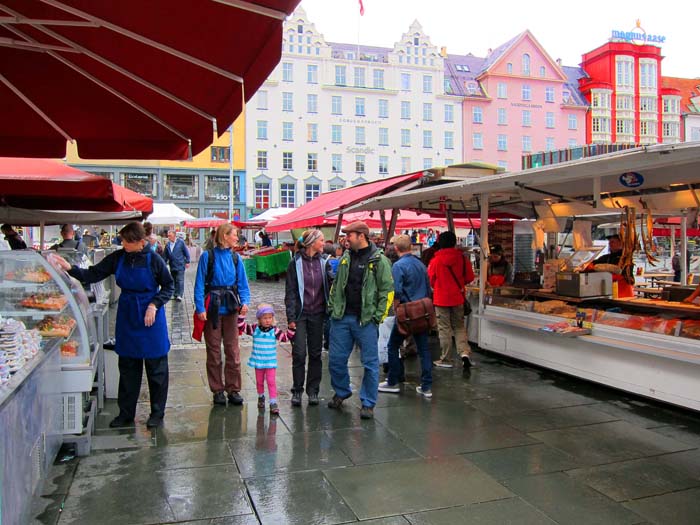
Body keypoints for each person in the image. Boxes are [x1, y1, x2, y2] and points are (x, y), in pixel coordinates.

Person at [52, 222, 174, 428]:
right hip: (128, 314)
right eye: (123, 240)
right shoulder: (118, 258)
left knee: (157, 369)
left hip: (151, 316)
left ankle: (157, 414)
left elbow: (169, 285)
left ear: (140, 242)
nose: (123, 243)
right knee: (127, 368)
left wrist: (154, 304)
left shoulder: (155, 260)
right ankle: (126, 414)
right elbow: (92, 274)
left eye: (127, 241)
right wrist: (69, 268)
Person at [327, 221, 394, 419]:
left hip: (365, 321)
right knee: (336, 360)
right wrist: (332, 307)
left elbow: (387, 291)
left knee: (370, 364)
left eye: (349, 235)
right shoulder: (346, 257)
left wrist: (377, 317)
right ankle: (341, 391)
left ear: (361, 236)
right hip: (341, 318)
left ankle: (368, 403)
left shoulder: (379, 261)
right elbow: (336, 285)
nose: (345, 238)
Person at [194, 224, 251, 406]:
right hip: (212, 310)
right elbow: (199, 284)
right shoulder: (207, 257)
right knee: (214, 352)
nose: (237, 238)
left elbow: (242, 282)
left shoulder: (236, 258)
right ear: (225, 236)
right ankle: (217, 390)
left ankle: (233, 389)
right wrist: (200, 308)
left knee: (233, 351)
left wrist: (245, 302)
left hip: (231, 308)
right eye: (235, 235)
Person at [378, 235, 434, 398]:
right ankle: (426, 386)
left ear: (396, 248)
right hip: (422, 311)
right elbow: (428, 288)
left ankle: (393, 380)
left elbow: (397, 291)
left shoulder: (398, 266)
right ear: (411, 247)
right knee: (423, 349)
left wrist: (396, 309)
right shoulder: (420, 264)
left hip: (407, 312)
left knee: (393, 345)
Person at [284, 229, 333, 407]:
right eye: (321, 240)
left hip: (318, 314)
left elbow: (331, 286)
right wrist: (291, 317)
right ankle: (297, 391)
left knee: (315, 353)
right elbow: (290, 292)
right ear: (312, 243)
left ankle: (313, 391)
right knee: (298, 353)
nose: (324, 243)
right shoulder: (294, 263)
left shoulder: (324, 262)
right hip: (300, 314)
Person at [428, 231, 475, 369]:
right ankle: (464, 353)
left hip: (441, 298)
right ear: (454, 242)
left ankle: (446, 358)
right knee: (459, 326)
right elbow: (470, 277)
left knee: (444, 329)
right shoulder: (462, 258)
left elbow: (431, 280)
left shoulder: (435, 260)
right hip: (457, 298)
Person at [238, 304, 295, 415]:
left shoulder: (274, 330)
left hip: (270, 362)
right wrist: (242, 315)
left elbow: (285, 338)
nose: (268, 320)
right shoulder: (254, 329)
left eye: (270, 318)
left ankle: (273, 402)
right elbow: (241, 326)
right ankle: (261, 397)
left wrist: (291, 328)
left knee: (271, 382)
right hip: (258, 361)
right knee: (259, 382)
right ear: (259, 319)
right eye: (265, 318)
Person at [163, 230, 190, 301]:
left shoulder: (180, 243)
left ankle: (179, 295)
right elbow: (165, 256)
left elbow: (186, 252)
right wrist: (163, 264)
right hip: (172, 265)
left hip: (180, 264)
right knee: (173, 279)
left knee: (180, 280)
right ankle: (175, 294)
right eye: (168, 236)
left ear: (174, 235)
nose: (169, 237)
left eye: (170, 236)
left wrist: (187, 261)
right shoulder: (168, 245)